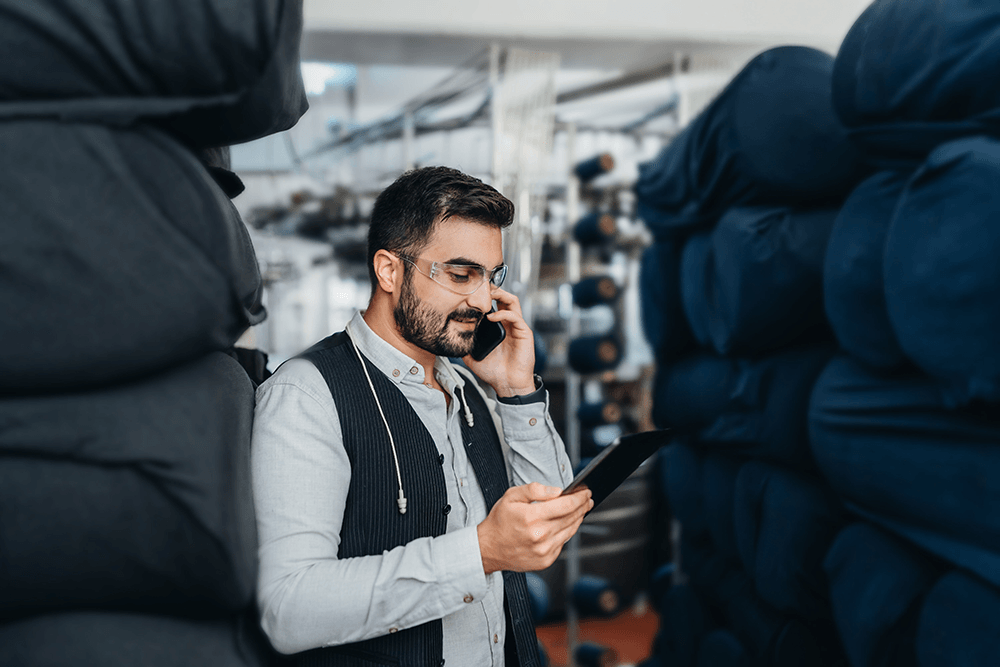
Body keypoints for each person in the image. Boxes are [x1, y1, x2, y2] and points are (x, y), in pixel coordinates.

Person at [251, 166, 592, 666]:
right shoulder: (307, 395)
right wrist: (478, 553)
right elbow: (288, 609)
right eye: (460, 275)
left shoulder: (469, 387)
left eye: (490, 277)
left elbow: (545, 528)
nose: (481, 301)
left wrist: (516, 390)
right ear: (389, 271)